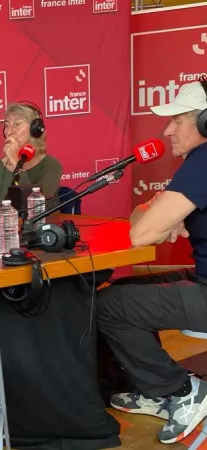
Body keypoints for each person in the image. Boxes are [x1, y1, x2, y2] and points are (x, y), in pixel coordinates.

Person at [98, 79, 207, 444]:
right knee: (124, 290)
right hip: (202, 276)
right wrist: (163, 212)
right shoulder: (198, 162)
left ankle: (182, 391)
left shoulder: (203, 161)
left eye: (178, 120)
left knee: (108, 306)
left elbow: (139, 234)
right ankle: (157, 387)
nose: (167, 130)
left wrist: (161, 213)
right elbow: (140, 222)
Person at [0, 101, 62, 212]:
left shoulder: (51, 165)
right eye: (7, 125)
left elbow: (38, 209)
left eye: (17, 124)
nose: (9, 131)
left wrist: (15, 162)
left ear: (34, 129)